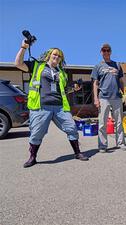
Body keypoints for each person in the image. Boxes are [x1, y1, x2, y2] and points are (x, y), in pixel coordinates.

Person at [15, 40, 89, 168]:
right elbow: (18, 63)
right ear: (49, 55)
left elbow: (64, 90)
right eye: (54, 54)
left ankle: (77, 153)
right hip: (41, 106)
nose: (56, 57)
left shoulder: (62, 73)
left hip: (60, 106)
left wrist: (74, 89)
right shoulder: (37, 66)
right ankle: (33, 157)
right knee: (37, 133)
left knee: (71, 128)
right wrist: (24, 47)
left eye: (59, 56)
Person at [92, 43, 126, 152]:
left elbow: (121, 81)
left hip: (116, 97)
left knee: (119, 122)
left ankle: (120, 143)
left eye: (108, 50)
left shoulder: (117, 65)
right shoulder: (98, 66)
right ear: (101, 52)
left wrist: (125, 94)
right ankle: (103, 146)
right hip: (103, 98)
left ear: (110, 52)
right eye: (104, 50)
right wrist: (96, 99)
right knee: (102, 123)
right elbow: (95, 83)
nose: (106, 52)